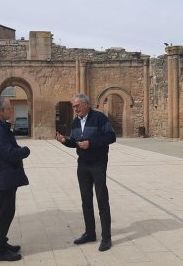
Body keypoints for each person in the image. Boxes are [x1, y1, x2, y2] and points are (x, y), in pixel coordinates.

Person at [55, 93, 116, 252]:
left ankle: (106, 238)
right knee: (85, 199)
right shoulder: (75, 122)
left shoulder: (100, 118)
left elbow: (111, 137)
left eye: (77, 106)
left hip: (98, 163)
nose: (75, 109)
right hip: (82, 164)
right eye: (73, 106)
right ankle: (90, 233)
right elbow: (75, 143)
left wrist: (92, 143)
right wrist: (65, 141)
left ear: (86, 104)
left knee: (102, 199)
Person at [0, 97, 31, 261]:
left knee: (7, 211)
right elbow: (9, 153)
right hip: (2, 179)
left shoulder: (0, 126)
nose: (11, 111)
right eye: (9, 109)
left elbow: (9, 147)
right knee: (4, 213)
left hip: (5, 177)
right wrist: (25, 151)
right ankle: (0, 251)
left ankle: (3, 243)